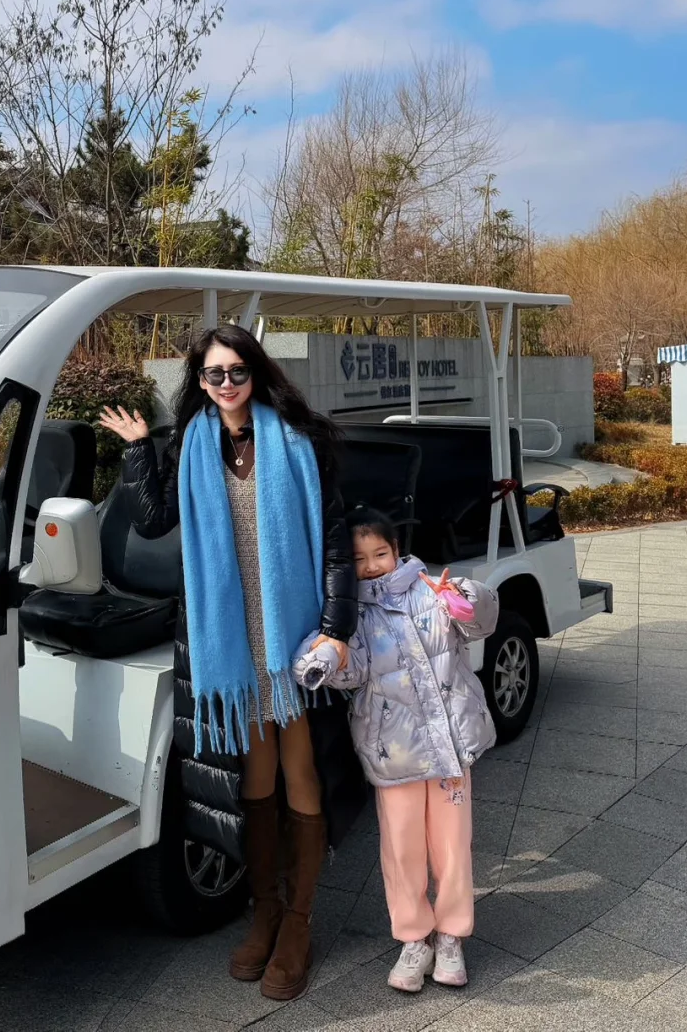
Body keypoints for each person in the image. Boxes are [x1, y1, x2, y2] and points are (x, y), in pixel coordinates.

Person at [99, 324, 358, 1003]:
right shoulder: (191, 445)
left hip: (290, 637)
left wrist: (337, 628)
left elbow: (336, 542)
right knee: (256, 773)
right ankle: (264, 910)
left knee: (300, 769)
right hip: (229, 640)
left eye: (237, 370)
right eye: (213, 374)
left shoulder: (299, 441)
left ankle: (298, 923)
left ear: (256, 372)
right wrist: (137, 449)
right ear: (199, 379)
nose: (226, 383)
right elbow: (153, 520)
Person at [292, 508, 499, 994]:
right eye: (359, 558)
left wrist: (464, 598)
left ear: (397, 550)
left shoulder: (431, 590)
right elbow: (345, 668)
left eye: (380, 553)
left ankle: (451, 936)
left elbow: (479, 622)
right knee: (401, 850)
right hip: (394, 752)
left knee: (452, 847)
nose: (371, 566)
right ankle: (413, 939)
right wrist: (321, 658)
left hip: (449, 748)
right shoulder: (350, 615)